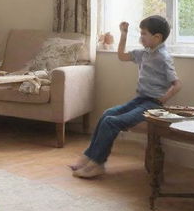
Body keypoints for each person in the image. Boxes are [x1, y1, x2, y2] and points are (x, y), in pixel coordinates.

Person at [71, 15, 182, 179]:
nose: (140, 37)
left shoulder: (163, 57)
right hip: (140, 99)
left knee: (111, 122)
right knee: (107, 114)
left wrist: (162, 100)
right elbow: (121, 56)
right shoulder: (144, 53)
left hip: (152, 104)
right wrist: (123, 34)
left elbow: (177, 84)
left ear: (157, 37)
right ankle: (89, 157)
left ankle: (98, 163)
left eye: (144, 34)